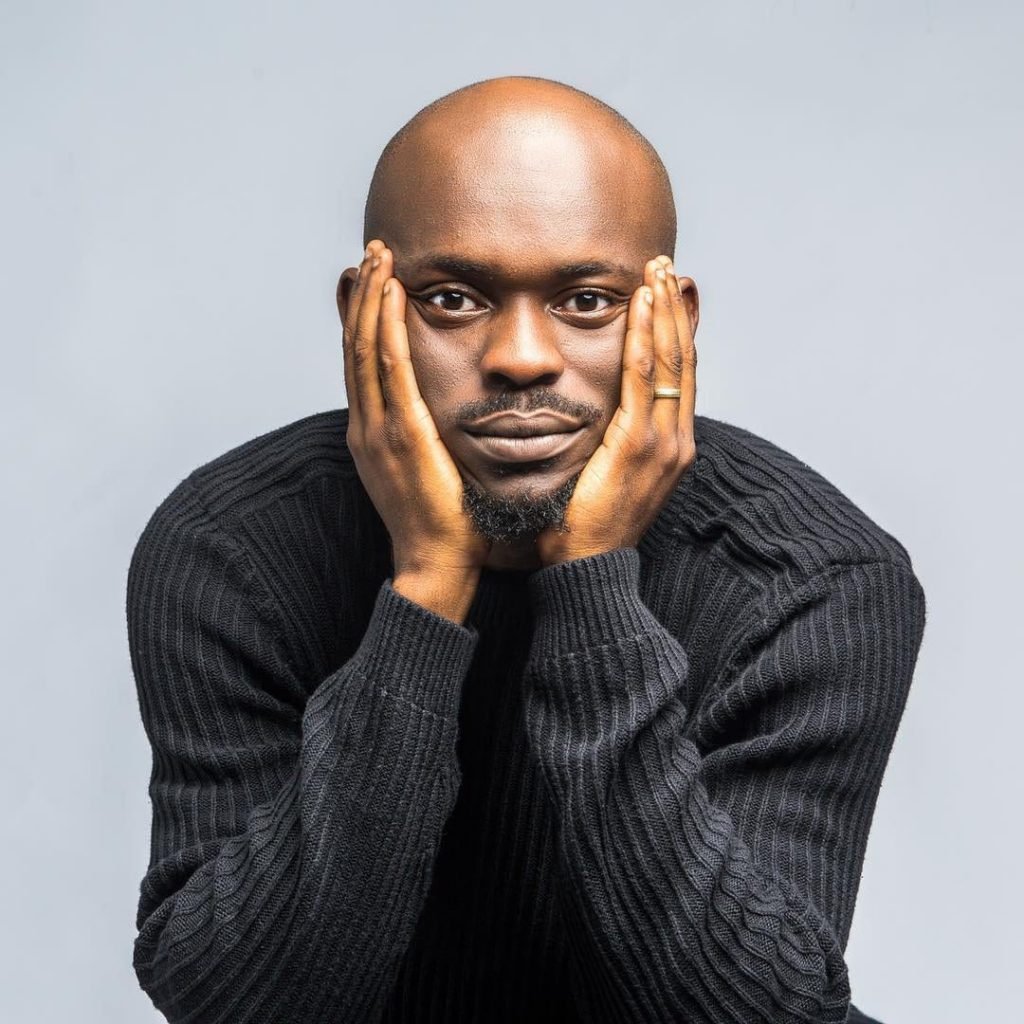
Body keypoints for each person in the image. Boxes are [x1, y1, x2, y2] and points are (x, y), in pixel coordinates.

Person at [127, 76, 926, 1024]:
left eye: (587, 301)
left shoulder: (814, 581)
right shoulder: (231, 550)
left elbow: (760, 1013)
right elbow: (238, 1004)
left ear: (674, 319)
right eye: (453, 299)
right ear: (361, 312)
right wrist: (427, 588)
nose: (520, 358)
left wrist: (593, 586)